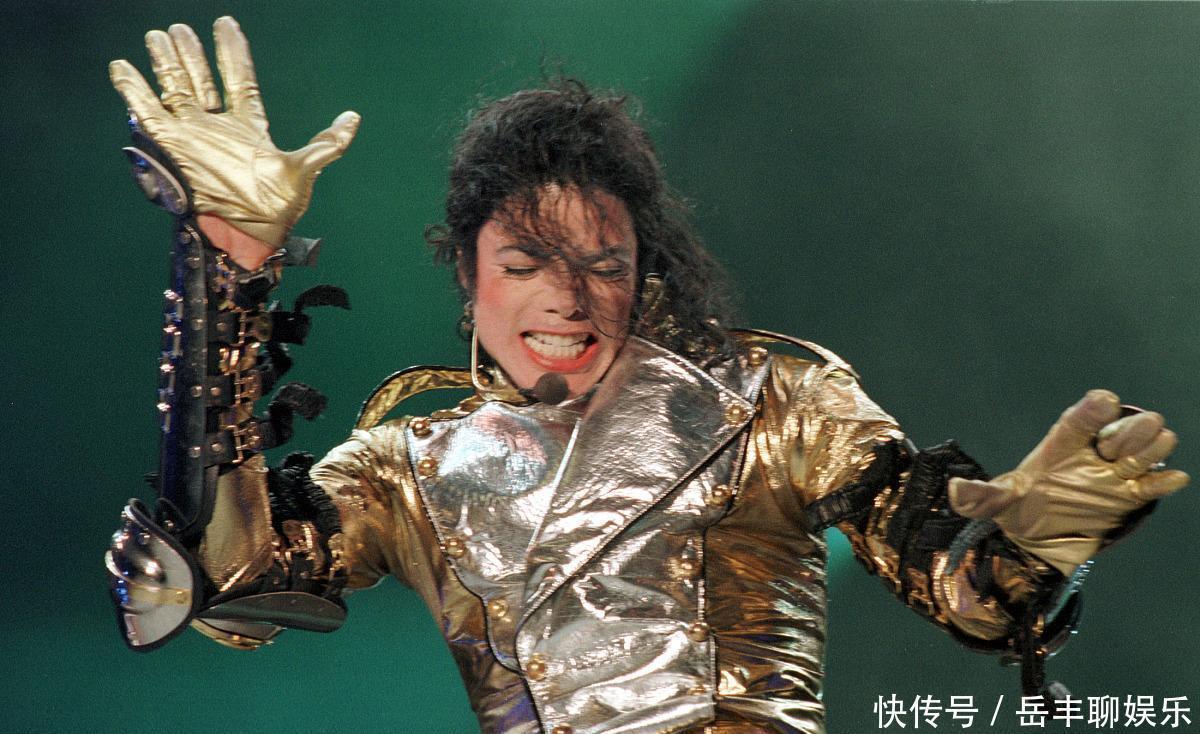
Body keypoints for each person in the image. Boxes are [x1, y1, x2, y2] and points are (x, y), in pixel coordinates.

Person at [104, 17, 1188, 734]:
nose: (566, 297)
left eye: (602, 262)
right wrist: (228, 263)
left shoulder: (776, 405)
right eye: (525, 263)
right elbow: (232, 567)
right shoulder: (411, 468)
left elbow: (964, 586)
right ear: (468, 280)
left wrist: (1033, 547)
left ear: (644, 272)